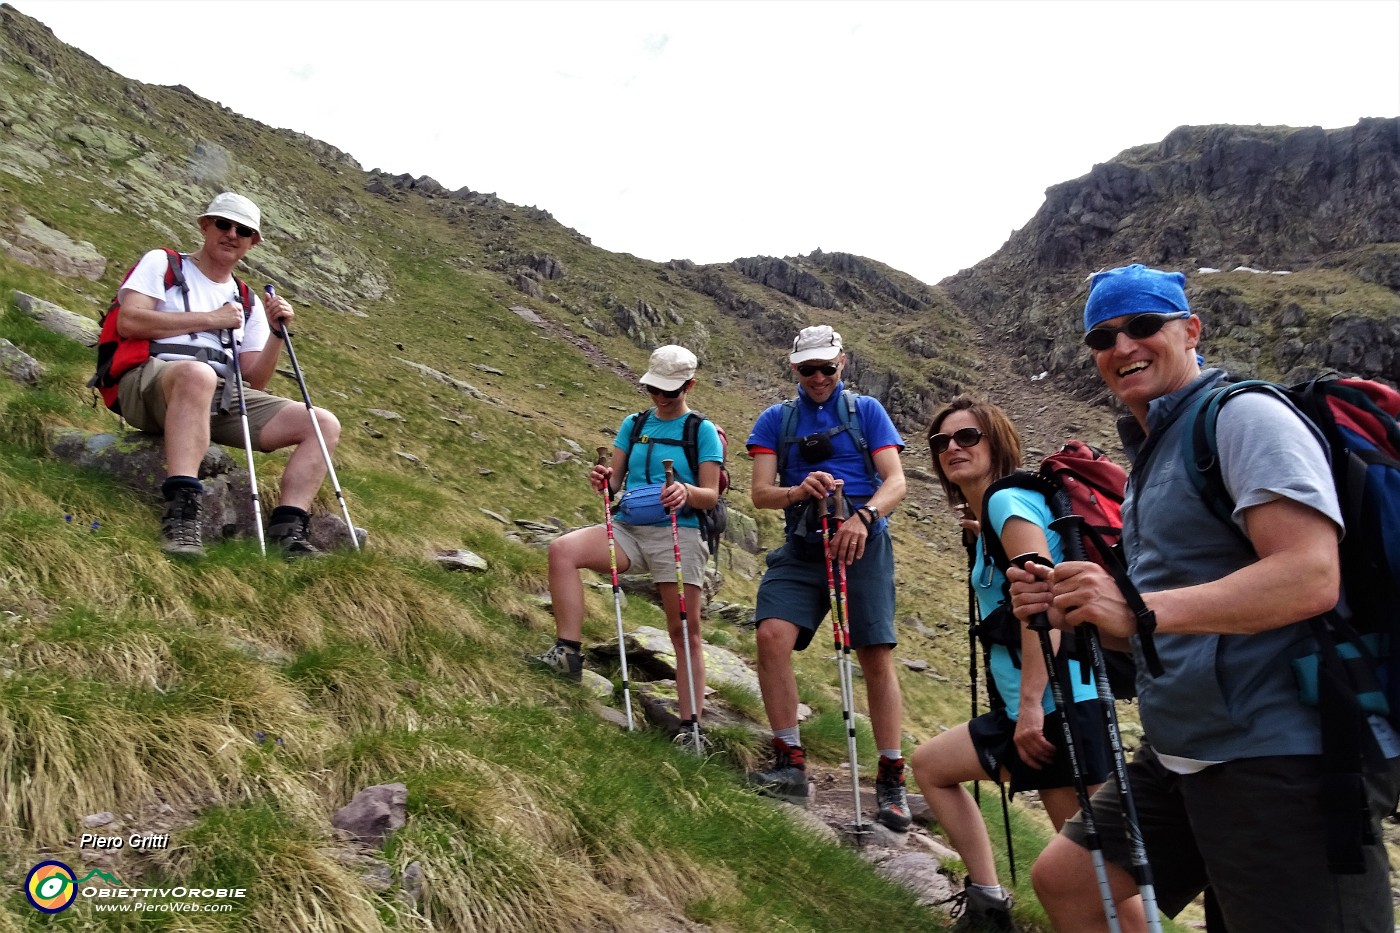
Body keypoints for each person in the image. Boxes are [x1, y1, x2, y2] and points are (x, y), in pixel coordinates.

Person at [1008, 263, 1400, 933]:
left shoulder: (1243, 417)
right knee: (1072, 880)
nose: (1122, 347)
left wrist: (1138, 609)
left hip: (1284, 753)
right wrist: (1076, 606)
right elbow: (1166, 618)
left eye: (1142, 326)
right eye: (1102, 337)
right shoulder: (1156, 450)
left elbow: (1309, 575)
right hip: (1187, 744)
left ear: (1191, 330)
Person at [910, 397, 1109, 932]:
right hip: (1046, 709)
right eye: (940, 442)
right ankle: (987, 901)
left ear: (997, 441)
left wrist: (1027, 711)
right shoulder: (994, 515)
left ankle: (989, 905)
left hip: (1055, 712)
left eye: (967, 437)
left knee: (1094, 885)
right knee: (930, 766)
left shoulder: (1006, 504)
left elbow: (1046, 607)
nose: (952, 448)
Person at [744, 324, 911, 830]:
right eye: (807, 369)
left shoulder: (867, 412)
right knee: (772, 634)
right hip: (803, 540)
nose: (818, 377)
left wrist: (865, 517)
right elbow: (760, 492)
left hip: (862, 538)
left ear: (843, 363)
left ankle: (890, 774)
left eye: (827, 367)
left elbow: (895, 480)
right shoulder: (776, 420)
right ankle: (790, 762)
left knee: (874, 653)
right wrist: (798, 490)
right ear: (794, 369)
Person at [114, 193, 341, 558]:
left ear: (253, 242)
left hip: (216, 396)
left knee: (322, 423)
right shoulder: (164, 263)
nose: (232, 233)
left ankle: (289, 532)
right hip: (149, 383)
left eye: (244, 230)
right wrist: (211, 319)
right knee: (197, 375)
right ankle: (183, 516)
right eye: (223, 224)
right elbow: (130, 321)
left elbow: (254, 379)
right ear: (205, 226)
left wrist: (275, 334)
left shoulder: (246, 298)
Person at [538, 345, 722, 743]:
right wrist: (603, 480)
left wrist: (685, 491)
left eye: (669, 392)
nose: (660, 398)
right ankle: (567, 653)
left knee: (683, 630)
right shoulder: (634, 424)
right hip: (628, 528)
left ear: (689, 386)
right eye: (653, 389)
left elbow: (710, 494)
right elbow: (616, 483)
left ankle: (691, 729)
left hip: (680, 532)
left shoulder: (701, 431)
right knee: (562, 550)